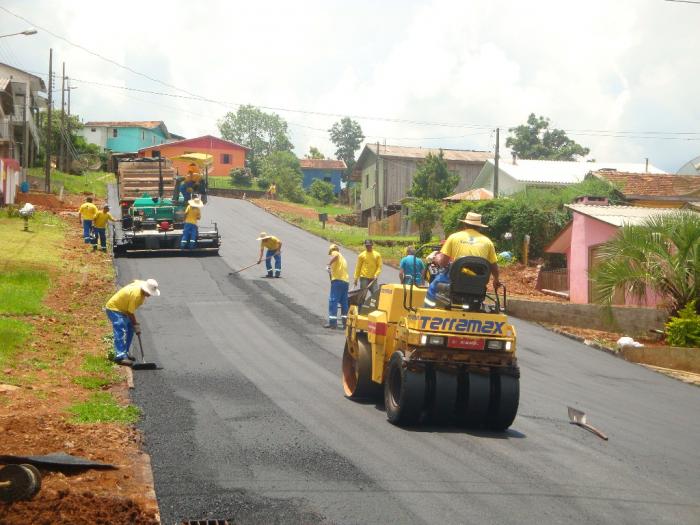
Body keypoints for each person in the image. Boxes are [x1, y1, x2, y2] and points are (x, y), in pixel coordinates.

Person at [105, 279, 160, 364]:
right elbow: (130, 312)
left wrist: (134, 325)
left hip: (123, 309)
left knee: (130, 328)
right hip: (114, 308)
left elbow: (136, 280)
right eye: (149, 293)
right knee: (121, 328)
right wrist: (136, 324)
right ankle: (120, 356)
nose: (150, 295)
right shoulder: (136, 295)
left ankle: (125, 353)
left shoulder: (142, 285)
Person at [440, 211, 500, 290]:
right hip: (478, 284)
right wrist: (496, 279)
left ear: (464, 225)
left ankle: (428, 302)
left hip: (458, 282)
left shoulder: (453, 237)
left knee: (435, 284)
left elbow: (443, 263)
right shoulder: (487, 241)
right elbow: (494, 267)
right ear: (479, 227)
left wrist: (437, 259)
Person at [324, 244, 349, 329]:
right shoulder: (343, 259)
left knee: (333, 301)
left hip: (338, 281)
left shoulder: (335, 253)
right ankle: (345, 324)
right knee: (344, 302)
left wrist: (328, 264)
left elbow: (335, 255)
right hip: (345, 282)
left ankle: (333, 323)